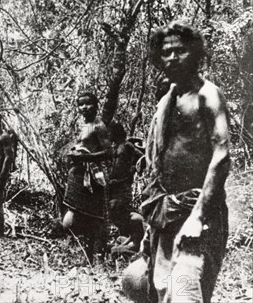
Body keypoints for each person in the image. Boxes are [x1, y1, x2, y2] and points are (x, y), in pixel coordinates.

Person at [122, 21, 230, 303]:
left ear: (195, 53)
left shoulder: (207, 95)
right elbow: (159, 165)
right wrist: (150, 227)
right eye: (166, 52)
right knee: (146, 285)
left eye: (180, 51)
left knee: (185, 293)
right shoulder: (167, 101)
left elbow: (221, 156)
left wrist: (197, 217)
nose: (172, 57)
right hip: (165, 213)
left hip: (196, 213)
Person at [62, 92, 111, 262]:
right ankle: (84, 256)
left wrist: (85, 158)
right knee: (75, 217)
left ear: (96, 105)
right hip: (78, 174)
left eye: (88, 104)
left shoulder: (99, 126)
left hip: (92, 175)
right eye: (81, 104)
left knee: (93, 217)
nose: (84, 107)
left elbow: (108, 152)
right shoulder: (83, 125)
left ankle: (96, 257)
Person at [107, 121, 144, 254]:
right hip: (114, 186)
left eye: (110, 132)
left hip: (123, 186)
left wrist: (132, 171)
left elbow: (142, 158)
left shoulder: (127, 145)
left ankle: (135, 240)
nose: (108, 135)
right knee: (113, 211)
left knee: (119, 209)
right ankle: (127, 239)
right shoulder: (116, 147)